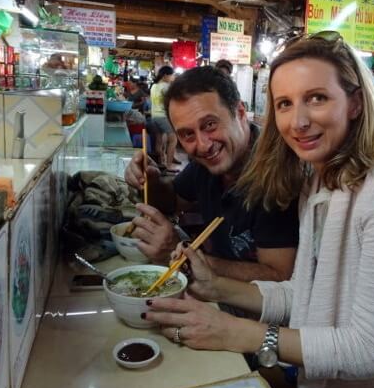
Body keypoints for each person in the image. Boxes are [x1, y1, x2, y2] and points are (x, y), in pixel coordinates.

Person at [143, 35, 374, 388]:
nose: (299, 121)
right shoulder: (320, 181)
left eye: (317, 98)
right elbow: (307, 294)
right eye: (285, 104)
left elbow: (369, 349)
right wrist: (214, 287)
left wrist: (234, 331)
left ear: (355, 102)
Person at [124, 66, 299, 281]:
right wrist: (150, 180)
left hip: (254, 312)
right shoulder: (207, 163)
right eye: (187, 134)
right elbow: (173, 201)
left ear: (240, 113)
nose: (203, 145)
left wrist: (181, 254)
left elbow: (279, 276)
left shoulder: (276, 175)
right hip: (213, 295)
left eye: (210, 124)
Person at [150, 66, 179, 170]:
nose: (173, 77)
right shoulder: (166, 87)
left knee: (159, 140)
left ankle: (161, 161)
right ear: (166, 75)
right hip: (163, 116)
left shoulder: (154, 86)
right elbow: (174, 101)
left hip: (154, 116)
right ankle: (169, 166)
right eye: (172, 75)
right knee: (173, 139)